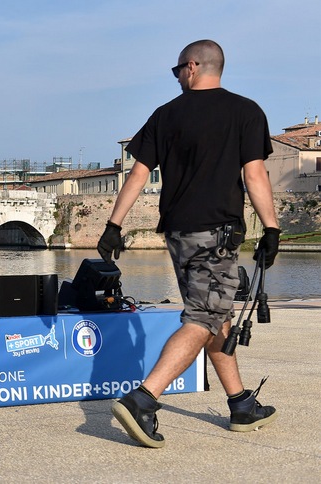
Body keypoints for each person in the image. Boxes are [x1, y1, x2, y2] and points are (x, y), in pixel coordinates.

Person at [97, 39, 281, 448]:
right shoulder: (246, 112)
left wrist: (114, 225)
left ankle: (239, 404)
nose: (177, 75)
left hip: (179, 233)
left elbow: (138, 173)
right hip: (216, 233)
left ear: (193, 66)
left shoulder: (165, 115)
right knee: (203, 318)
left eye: (178, 69)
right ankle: (143, 400)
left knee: (214, 314)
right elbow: (255, 175)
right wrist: (271, 228)